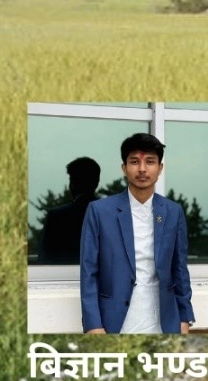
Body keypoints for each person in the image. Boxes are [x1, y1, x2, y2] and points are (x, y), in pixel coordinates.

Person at [80, 133, 195, 334]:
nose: (142, 169)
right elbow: (89, 272)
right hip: (113, 320)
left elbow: (179, 269)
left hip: (163, 320)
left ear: (160, 168)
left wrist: (185, 316)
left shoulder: (172, 211)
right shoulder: (100, 211)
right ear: (124, 168)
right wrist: (93, 324)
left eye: (150, 162)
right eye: (134, 162)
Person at [40, 157, 102, 264]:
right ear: (96, 183)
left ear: (72, 184)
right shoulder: (112, 215)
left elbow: (45, 259)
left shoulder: (56, 217)